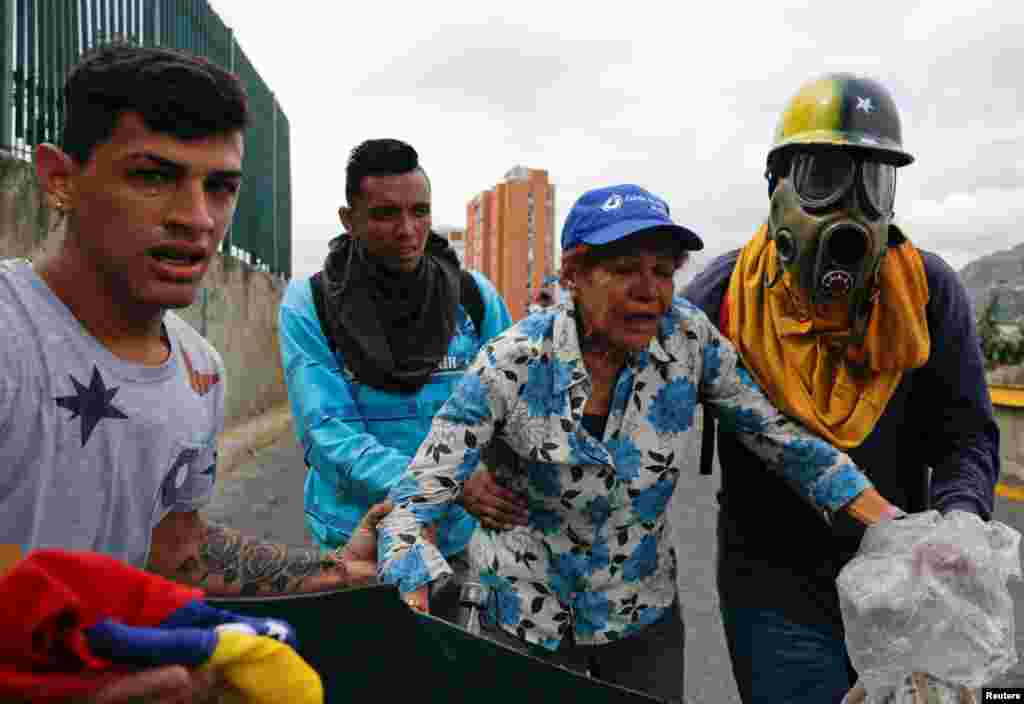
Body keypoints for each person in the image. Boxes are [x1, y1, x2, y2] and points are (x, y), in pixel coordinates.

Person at [376, 184, 907, 704]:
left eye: (663, 271)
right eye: (625, 269)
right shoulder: (511, 361)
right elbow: (415, 497)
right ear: (575, 275)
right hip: (522, 615)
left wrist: (893, 523)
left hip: (639, 617)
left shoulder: (688, 340)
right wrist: (416, 589)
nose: (649, 289)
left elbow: (776, 435)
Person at [0, 43, 389, 702]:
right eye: (153, 176)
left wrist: (334, 571)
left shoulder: (197, 369)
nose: (197, 218)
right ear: (59, 178)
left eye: (221, 186)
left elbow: (174, 551)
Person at [682, 73, 999, 703]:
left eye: (873, 184)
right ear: (775, 189)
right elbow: (626, 398)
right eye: (823, 179)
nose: (850, 210)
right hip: (773, 590)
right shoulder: (720, 302)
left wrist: (960, 522)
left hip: (905, 585)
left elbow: (967, 433)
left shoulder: (928, 294)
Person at [278, 138, 513, 619]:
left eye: (420, 211)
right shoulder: (311, 304)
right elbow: (326, 434)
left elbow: (511, 406)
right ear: (349, 219)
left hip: (454, 542)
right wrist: (445, 482)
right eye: (385, 214)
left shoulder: (474, 298)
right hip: (355, 546)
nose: (408, 230)